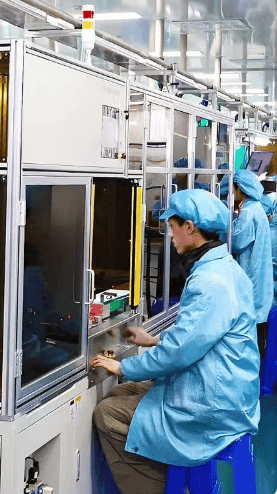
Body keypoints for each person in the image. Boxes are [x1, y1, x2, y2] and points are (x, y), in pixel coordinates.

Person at [91, 189, 260, 494]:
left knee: (106, 413)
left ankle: (162, 487)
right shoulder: (222, 267)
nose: (169, 235)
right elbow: (197, 332)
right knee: (122, 394)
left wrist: (123, 367)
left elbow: (180, 352)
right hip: (225, 386)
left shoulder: (210, 282)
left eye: (172, 227)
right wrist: (155, 339)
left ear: (189, 227)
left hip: (212, 405)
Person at [228, 169, 274, 348]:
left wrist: (225, 230)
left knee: (251, 337)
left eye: (234, 189)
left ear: (240, 188)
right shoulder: (257, 208)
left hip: (251, 278)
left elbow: (237, 242)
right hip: (260, 281)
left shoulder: (248, 211)